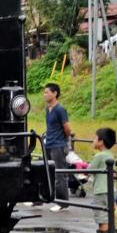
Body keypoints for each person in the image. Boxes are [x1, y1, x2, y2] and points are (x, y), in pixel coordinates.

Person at [43, 83, 72, 211]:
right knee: (47, 172)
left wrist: (64, 141)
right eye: (44, 92)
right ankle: (44, 198)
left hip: (58, 145)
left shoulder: (60, 109)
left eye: (47, 92)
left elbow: (67, 128)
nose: (45, 95)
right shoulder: (47, 109)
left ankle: (62, 202)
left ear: (55, 93)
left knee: (60, 174)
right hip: (48, 143)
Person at [86, 127, 117, 233]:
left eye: (95, 138)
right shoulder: (110, 155)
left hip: (100, 189)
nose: (93, 141)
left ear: (101, 142)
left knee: (101, 216)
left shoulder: (100, 156)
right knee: (109, 215)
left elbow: (89, 170)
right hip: (110, 189)